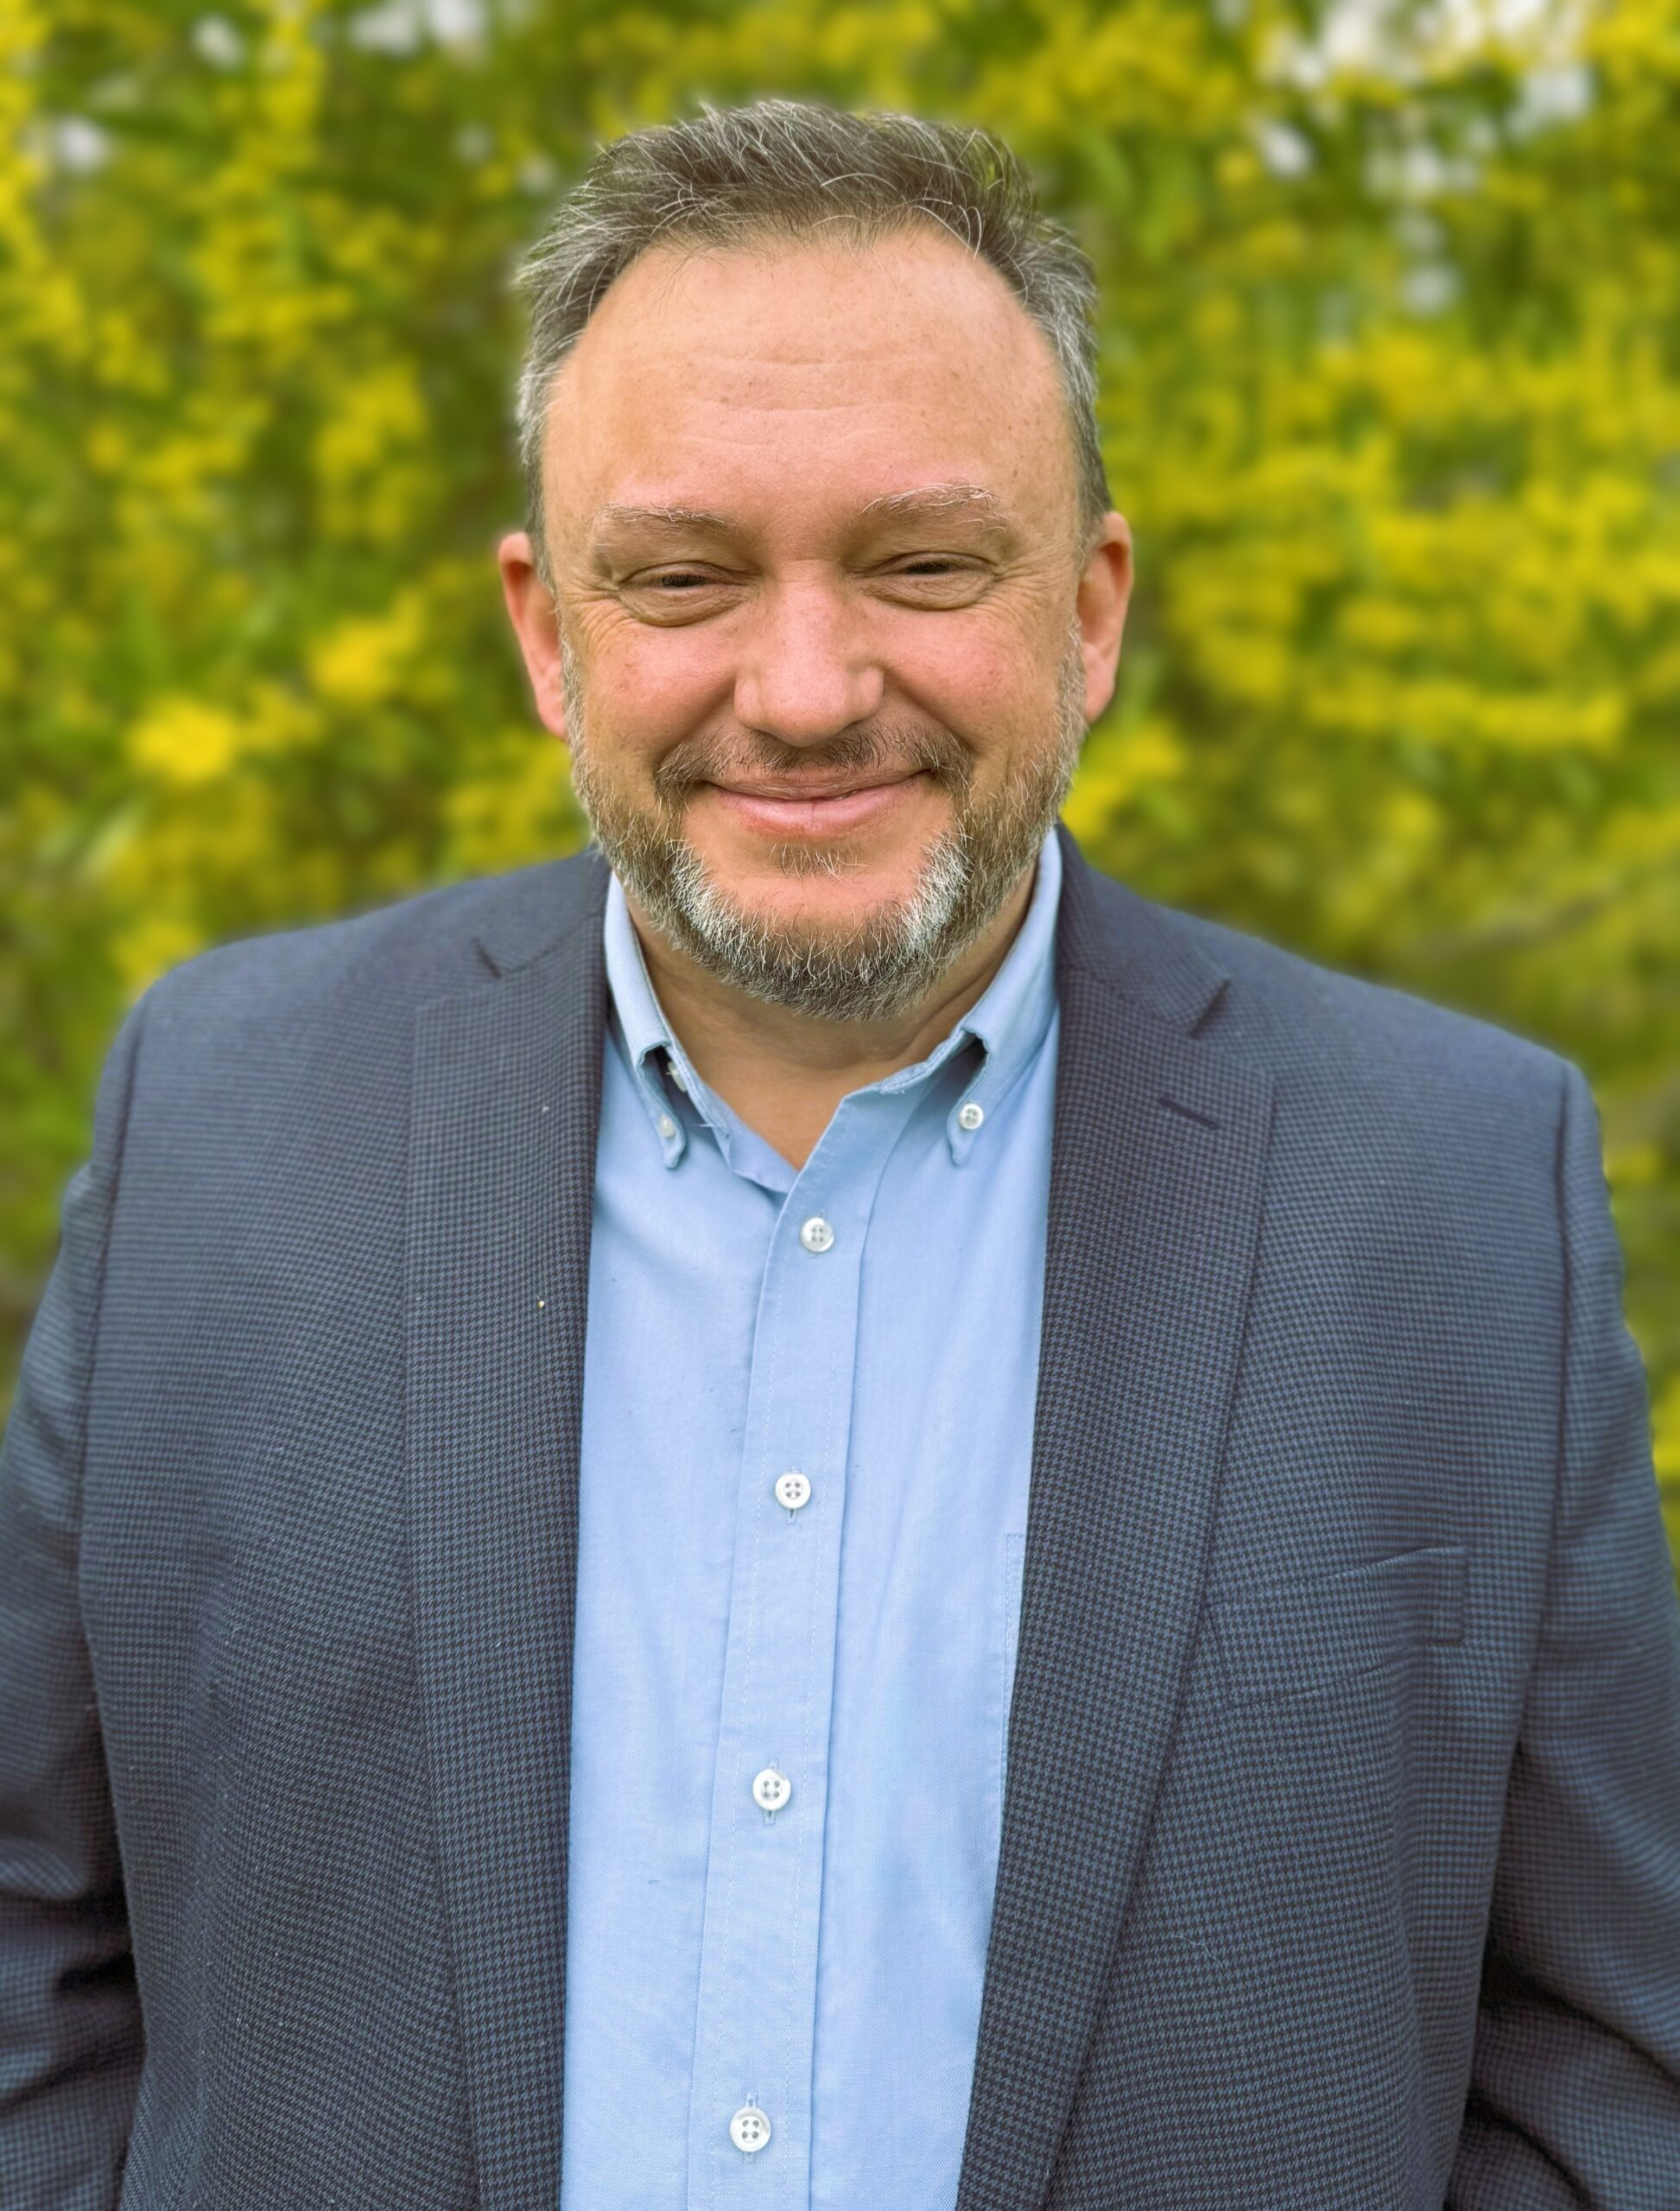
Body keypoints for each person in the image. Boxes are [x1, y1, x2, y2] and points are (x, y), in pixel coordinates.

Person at [2, 97, 1677, 2211]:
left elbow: (1611, 2048)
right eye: (686, 574)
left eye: (919, 562)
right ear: (547, 628)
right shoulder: (218, 1123)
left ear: (1088, 610)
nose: (803, 689)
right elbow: (32, 1938)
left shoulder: (1453, 1196)